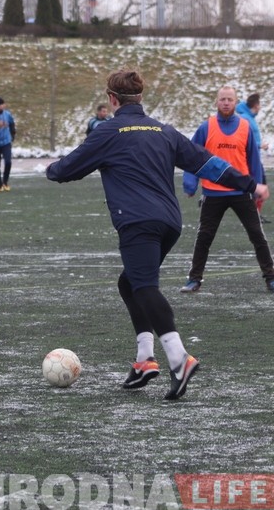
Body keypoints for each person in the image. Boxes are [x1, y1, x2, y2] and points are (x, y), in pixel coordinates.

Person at [46, 69, 269, 400]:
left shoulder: (108, 131)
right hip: (169, 223)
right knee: (130, 283)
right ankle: (144, 361)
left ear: (111, 99)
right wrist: (250, 184)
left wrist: (53, 169)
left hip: (137, 223)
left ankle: (179, 359)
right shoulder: (163, 130)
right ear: (140, 97)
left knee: (145, 288)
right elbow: (209, 164)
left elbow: (66, 170)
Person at [180, 86, 274, 293]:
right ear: (217, 102)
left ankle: (270, 277)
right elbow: (192, 156)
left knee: (257, 235)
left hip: (241, 193)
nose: (226, 103)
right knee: (204, 237)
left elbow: (253, 160)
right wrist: (190, 183)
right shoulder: (206, 127)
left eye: (230, 99)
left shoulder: (245, 126)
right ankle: (194, 279)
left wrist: (257, 186)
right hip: (213, 193)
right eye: (222, 99)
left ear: (235, 101)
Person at [236, 92, 270, 223]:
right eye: (259, 104)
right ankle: (252, 214)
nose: (260, 107)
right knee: (258, 185)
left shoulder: (249, 118)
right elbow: (243, 140)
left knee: (260, 184)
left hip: (255, 158)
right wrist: (259, 145)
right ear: (256, 105)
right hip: (250, 159)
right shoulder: (245, 119)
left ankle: (255, 214)